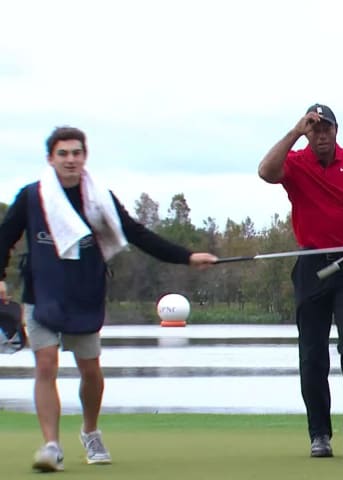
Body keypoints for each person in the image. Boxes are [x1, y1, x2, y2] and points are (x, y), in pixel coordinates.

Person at [0, 126, 218, 473]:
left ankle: (90, 431)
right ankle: (52, 446)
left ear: (84, 157)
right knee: (45, 365)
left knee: (90, 369)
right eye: (63, 154)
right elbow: (4, 239)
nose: (70, 160)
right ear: (50, 159)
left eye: (76, 153)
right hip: (41, 295)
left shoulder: (100, 198)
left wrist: (188, 256)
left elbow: (138, 234)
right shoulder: (31, 196)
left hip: (85, 293)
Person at [258, 104, 343, 457]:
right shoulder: (296, 163)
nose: (320, 133)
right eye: (314, 128)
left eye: (325, 127)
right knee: (312, 354)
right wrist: (295, 130)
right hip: (310, 265)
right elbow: (265, 171)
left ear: (336, 130)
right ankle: (319, 435)